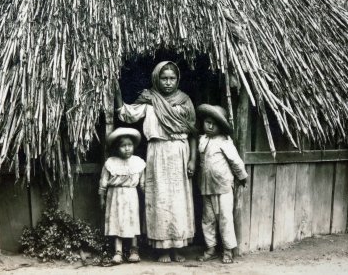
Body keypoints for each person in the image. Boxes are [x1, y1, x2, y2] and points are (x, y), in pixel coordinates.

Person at [116, 61, 197, 263]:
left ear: (178, 79)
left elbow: (193, 132)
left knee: (179, 201)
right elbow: (127, 113)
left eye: (172, 78)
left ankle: (177, 248)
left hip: (180, 152)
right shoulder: (149, 99)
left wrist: (193, 159)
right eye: (164, 78)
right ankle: (162, 248)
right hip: (157, 152)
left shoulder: (185, 101)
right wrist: (115, 91)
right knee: (160, 201)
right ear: (156, 78)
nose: (168, 82)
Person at [195, 104, 248, 264]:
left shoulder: (224, 141)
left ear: (221, 126)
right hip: (206, 186)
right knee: (208, 219)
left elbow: (235, 161)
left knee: (225, 218)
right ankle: (210, 247)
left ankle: (227, 250)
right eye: (207, 122)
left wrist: (242, 176)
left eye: (214, 123)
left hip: (223, 186)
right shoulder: (202, 140)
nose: (210, 126)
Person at [99, 127, 146, 264]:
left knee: (133, 221)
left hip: (131, 195)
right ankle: (118, 252)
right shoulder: (110, 163)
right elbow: (103, 183)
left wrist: (148, 197)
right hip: (115, 196)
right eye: (123, 146)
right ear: (117, 147)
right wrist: (101, 197)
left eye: (130, 145)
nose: (127, 149)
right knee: (117, 221)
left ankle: (134, 250)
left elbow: (143, 183)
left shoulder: (138, 162)